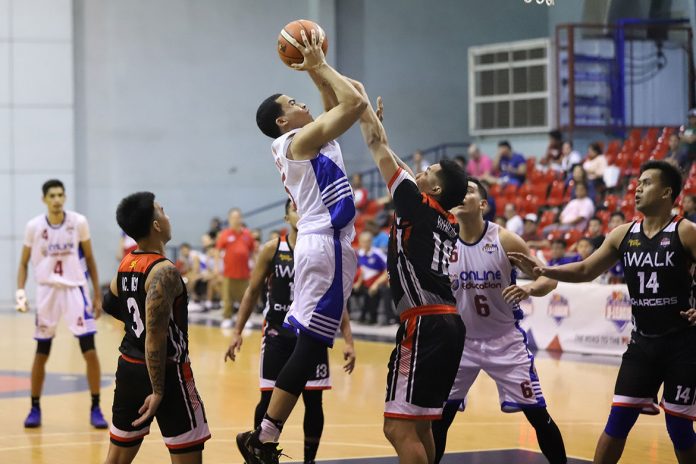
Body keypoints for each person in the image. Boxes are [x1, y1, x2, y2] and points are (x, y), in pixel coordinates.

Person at [510, 160, 696, 464]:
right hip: (643, 345)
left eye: (647, 183)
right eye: (637, 182)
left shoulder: (686, 232)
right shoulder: (623, 234)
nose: (637, 188)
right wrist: (545, 269)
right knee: (617, 423)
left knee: (679, 428)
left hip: (683, 345)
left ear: (667, 192)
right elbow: (585, 269)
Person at [240, 28, 367, 462]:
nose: (302, 104)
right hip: (326, 245)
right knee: (311, 347)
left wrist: (317, 74)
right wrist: (319, 67)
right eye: (292, 104)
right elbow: (355, 105)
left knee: (308, 346)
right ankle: (263, 437)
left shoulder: (307, 138)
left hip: (323, 246)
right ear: (282, 121)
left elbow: (347, 99)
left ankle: (263, 434)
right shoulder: (298, 141)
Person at [353, 82, 468, 464]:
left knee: (398, 427)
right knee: (421, 425)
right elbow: (392, 157)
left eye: (428, 169)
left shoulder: (417, 206)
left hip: (425, 325)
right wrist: (381, 133)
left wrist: (364, 109)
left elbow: (376, 148)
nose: (419, 169)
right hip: (447, 324)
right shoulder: (444, 218)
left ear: (434, 187)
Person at [431, 178, 566, 464]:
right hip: (460, 344)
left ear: (483, 204)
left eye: (467, 190)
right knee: (439, 420)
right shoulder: (444, 241)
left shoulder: (503, 239)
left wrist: (529, 287)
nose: (460, 194)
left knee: (538, 416)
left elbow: (549, 279)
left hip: (505, 342)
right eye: (457, 190)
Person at [225, 200, 356, 464]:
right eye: (295, 209)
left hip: (312, 332)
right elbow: (252, 291)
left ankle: (310, 460)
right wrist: (237, 331)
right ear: (286, 217)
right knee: (268, 398)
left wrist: (349, 340)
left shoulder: (323, 250)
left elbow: (335, 298)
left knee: (314, 402)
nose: (301, 213)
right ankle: (261, 451)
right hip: (277, 333)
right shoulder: (272, 249)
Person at [103, 192, 210, 463]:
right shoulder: (164, 272)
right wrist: (159, 390)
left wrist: (133, 323)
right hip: (167, 371)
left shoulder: (127, 262)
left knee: (115, 458)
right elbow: (155, 338)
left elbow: (109, 303)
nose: (167, 215)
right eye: (162, 210)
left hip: (128, 367)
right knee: (187, 455)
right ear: (156, 225)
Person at [16, 179, 107, 429]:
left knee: (89, 350)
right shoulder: (34, 227)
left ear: (64, 198)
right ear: (44, 199)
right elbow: (23, 263)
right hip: (47, 292)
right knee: (41, 352)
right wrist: (21, 291)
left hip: (75, 290)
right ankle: (34, 407)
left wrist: (96, 294)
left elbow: (90, 257)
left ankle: (96, 407)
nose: (57, 199)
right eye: (52, 195)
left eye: (60, 195)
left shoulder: (78, 222)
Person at [215, 208, 256, 328]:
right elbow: (217, 251)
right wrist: (217, 268)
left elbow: (252, 253)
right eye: (233, 217)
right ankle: (227, 317)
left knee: (245, 298)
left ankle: (245, 319)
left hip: (245, 273)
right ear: (229, 219)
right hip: (228, 273)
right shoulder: (224, 234)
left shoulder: (248, 235)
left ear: (241, 218)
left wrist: (256, 269)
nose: (235, 220)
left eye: (237, 217)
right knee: (227, 297)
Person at [352, 230, 389, 325]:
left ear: (371, 242)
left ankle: (371, 318)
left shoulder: (378, 253)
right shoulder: (357, 254)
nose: (364, 244)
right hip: (362, 283)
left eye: (367, 241)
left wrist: (376, 284)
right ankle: (347, 317)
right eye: (362, 241)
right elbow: (359, 271)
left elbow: (387, 270)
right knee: (344, 289)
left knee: (372, 291)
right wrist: (357, 283)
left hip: (376, 283)